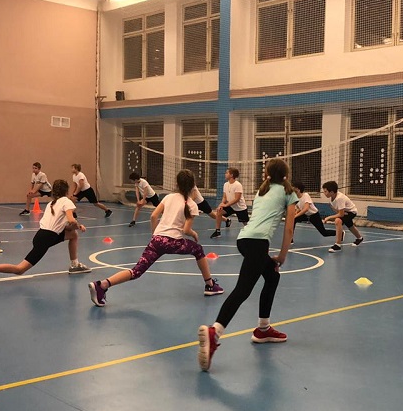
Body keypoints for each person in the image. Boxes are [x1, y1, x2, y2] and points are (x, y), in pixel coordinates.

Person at [198, 158, 297, 372]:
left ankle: (263, 329)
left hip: (245, 240)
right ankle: (215, 332)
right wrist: (282, 256)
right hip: (257, 243)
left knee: (272, 277)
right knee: (243, 290)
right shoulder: (289, 193)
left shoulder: (262, 191)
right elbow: (289, 229)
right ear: (286, 175)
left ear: (267, 174)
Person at [88, 169, 223, 307]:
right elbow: (186, 230)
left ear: (177, 183)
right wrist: (194, 234)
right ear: (193, 185)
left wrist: (155, 235)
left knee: (136, 271)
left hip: (157, 240)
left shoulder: (168, 197)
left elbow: (153, 216)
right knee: (198, 249)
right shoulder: (192, 205)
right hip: (174, 242)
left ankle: (102, 285)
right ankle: (210, 285)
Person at [0, 180, 91, 286]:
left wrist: (75, 227)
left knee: (73, 235)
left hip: (42, 235)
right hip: (46, 239)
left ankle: (74, 264)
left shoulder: (51, 204)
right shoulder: (66, 201)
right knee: (20, 269)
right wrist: (78, 225)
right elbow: (71, 220)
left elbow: (65, 226)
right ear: (66, 191)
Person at [321, 181, 363, 253]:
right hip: (345, 212)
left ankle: (338, 245)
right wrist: (341, 213)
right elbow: (338, 211)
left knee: (338, 221)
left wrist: (328, 218)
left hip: (351, 212)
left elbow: (340, 215)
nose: (324, 193)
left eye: (325, 191)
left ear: (331, 192)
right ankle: (359, 238)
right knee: (350, 226)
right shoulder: (332, 199)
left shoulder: (339, 198)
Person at [210, 167, 248, 239]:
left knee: (246, 223)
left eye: (227, 173)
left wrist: (226, 204)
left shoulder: (238, 185)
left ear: (231, 175)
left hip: (240, 207)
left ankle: (251, 233)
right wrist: (221, 204)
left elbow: (237, 199)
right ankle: (217, 231)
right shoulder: (225, 184)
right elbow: (224, 197)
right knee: (219, 212)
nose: (225, 174)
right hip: (231, 206)